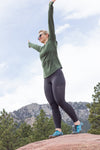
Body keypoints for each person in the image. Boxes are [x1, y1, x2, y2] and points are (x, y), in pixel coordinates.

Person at [28, 0, 83, 138]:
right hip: (46, 78)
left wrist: (50, 6)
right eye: (38, 36)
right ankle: (58, 130)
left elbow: (50, 22)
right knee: (53, 104)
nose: (39, 37)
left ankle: (77, 122)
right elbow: (36, 47)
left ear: (47, 35)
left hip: (57, 74)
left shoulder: (51, 41)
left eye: (40, 35)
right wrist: (30, 44)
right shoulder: (41, 48)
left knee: (60, 101)